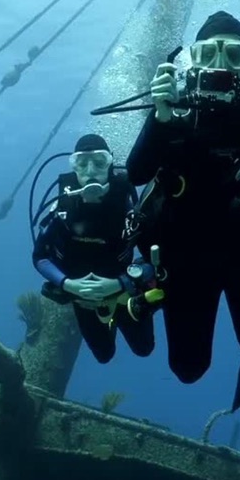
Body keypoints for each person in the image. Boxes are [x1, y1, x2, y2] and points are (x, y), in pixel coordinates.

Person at [125, 11, 240, 411]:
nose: (220, 65)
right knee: (188, 369)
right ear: (192, 59)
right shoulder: (177, 108)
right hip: (187, 258)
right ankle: (136, 303)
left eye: (234, 54)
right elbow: (136, 172)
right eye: (209, 53)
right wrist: (158, 120)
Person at [32, 133, 162, 364]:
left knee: (144, 348)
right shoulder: (62, 208)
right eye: (82, 163)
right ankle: (108, 321)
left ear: (110, 164)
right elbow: (40, 257)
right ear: (74, 168)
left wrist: (121, 283)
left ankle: (127, 311)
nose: (91, 170)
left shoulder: (127, 204)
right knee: (104, 355)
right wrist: (68, 284)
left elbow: (157, 256)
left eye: (99, 162)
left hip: (124, 291)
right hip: (82, 296)